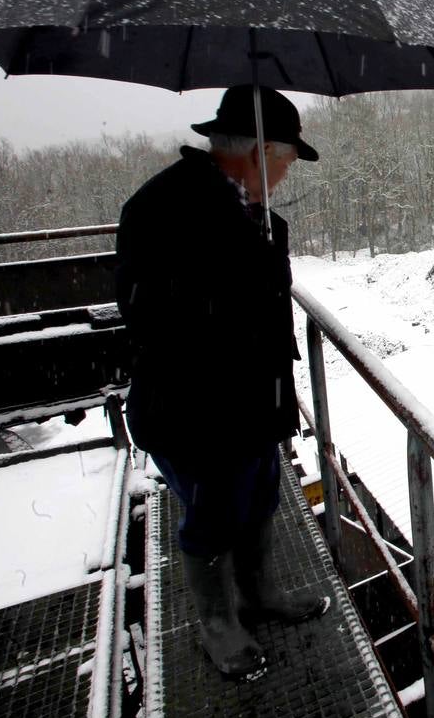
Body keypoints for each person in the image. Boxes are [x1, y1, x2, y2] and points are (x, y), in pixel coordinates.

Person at [116, 85, 329, 679]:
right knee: (213, 512)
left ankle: (258, 595)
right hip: (195, 408)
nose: (286, 174)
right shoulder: (163, 207)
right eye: (285, 160)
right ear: (260, 150)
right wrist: (222, 299)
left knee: (258, 496)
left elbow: (263, 304)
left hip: (253, 403)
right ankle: (217, 627)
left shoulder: (257, 216)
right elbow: (142, 307)